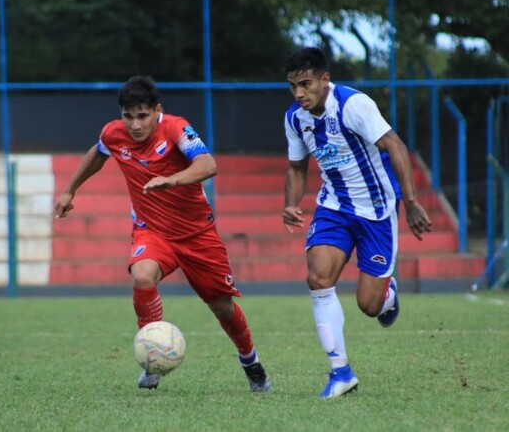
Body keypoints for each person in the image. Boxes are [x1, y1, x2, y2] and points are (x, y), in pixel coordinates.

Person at [54, 75, 271, 393]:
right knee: (142, 276)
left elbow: (208, 164)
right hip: (152, 231)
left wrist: (172, 180)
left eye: (142, 116)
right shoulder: (113, 134)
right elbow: (97, 153)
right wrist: (69, 190)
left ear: (157, 110)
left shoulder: (175, 128)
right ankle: (152, 361)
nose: (135, 125)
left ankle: (251, 364)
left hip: (197, 234)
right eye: (129, 116)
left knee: (222, 307)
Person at [281, 47, 432, 399]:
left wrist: (409, 202)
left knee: (369, 305)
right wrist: (290, 203)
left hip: (377, 210)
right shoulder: (294, 119)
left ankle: (387, 295)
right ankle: (340, 372)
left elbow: (394, 145)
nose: (300, 93)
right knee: (317, 278)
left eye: (306, 84)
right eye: (293, 86)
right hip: (333, 206)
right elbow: (297, 166)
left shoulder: (353, 105)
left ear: (324, 79)